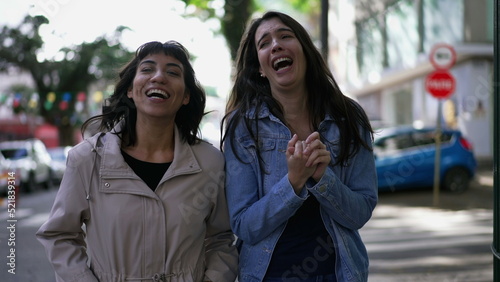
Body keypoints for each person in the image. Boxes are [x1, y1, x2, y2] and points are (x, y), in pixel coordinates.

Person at [36, 41, 238, 282]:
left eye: (173, 72)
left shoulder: (210, 162)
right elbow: (60, 235)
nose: (159, 77)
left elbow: (221, 239)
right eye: (147, 69)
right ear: (131, 90)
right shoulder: (87, 159)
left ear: (185, 96)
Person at [221, 11, 377, 282]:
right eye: (264, 43)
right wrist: (293, 182)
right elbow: (245, 226)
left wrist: (322, 178)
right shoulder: (242, 126)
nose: (276, 45)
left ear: (304, 49)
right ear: (259, 66)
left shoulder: (349, 116)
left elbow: (359, 214)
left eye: (285, 36)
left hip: (340, 274)